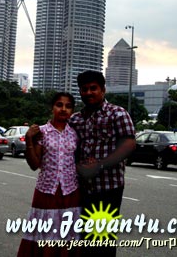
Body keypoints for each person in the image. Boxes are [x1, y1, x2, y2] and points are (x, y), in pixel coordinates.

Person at [69, 70, 136, 256]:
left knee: (102, 242)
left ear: (103, 90)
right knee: (81, 239)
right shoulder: (75, 119)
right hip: (80, 188)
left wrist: (99, 165)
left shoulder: (117, 114)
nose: (89, 93)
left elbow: (129, 143)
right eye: (84, 89)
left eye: (93, 88)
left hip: (108, 189)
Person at [17, 92, 81, 256]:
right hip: (47, 191)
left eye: (68, 106)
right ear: (52, 108)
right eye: (59, 105)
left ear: (72, 111)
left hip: (70, 191)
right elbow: (34, 164)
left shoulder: (75, 134)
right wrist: (29, 140)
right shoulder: (42, 132)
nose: (63, 109)